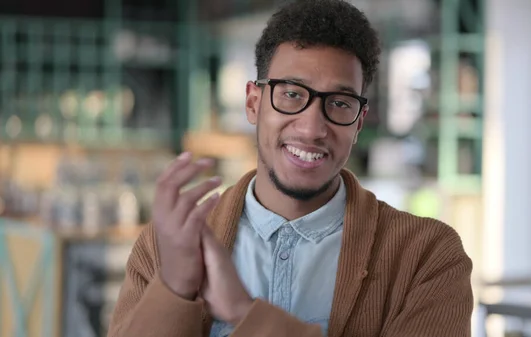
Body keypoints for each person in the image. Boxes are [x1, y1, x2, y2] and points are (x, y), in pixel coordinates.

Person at [107, 0, 473, 336]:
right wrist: (174, 287)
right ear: (253, 103)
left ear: (359, 122)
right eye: (292, 95)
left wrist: (243, 311)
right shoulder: (166, 244)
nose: (312, 129)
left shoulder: (427, 257)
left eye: (340, 104)